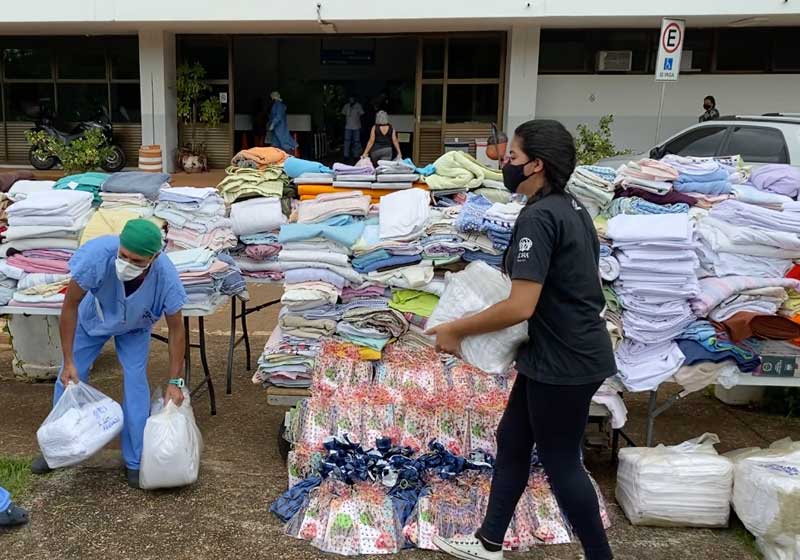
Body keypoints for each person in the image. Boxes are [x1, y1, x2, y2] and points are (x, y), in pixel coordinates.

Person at [428, 120, 616, 560]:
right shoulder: (571, 206)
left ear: (536, 165)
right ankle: (490, 541)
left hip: (564, 361)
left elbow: (521, 306)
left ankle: (600, 556)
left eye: (511, 157)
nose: (505, 163)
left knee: (562, 462)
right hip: (555, 353)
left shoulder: (539, 217)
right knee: (513, 438)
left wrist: (456, 328)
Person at [31, 219, 188, 489]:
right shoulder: (98, 255)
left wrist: (175, 381)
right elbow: (70, 305)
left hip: (136, 326)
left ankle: (135, 461)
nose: (127, 263)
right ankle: (57, 450)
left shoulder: (166, 277)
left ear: (155, 256)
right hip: (93, 318)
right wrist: (68, 360)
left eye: (137, 261)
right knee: (68, 378)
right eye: (123, 255)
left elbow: (177, 331)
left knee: (136, 380)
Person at [341, 96, 364, 161]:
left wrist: (361, 126)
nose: (351, 99)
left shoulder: (358, 106)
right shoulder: (346, 106)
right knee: (346, 141)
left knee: (356, 142)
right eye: (350, 98)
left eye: (352, 98)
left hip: (356, 127)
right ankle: (346, 156)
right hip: (347, 127)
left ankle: (356, 156)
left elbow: (362, 115)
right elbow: (343, 115)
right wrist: (343, 125)